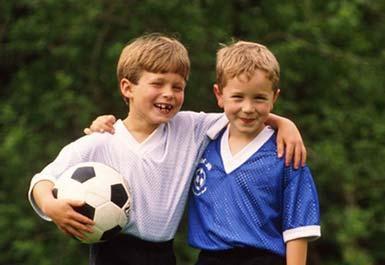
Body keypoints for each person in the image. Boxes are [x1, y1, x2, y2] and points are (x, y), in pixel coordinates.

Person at [28, 33, 307, 265]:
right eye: (157, 83)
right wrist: (51, 205)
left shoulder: (190, 128)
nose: (169, 94)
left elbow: (242, 111)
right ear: (127, 88)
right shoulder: (102, 141)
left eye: (178, 86)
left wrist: (284, 123)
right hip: (112, 253)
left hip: (164, 254)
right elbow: (43, 179)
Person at [187, 41, 321, 265]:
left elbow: (298, 230)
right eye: (238, 97)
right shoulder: (202, 140)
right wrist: (105, 124)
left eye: (259, 98)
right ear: (219, 94)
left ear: (274, 98)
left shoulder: (286, 153)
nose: (248, 108)